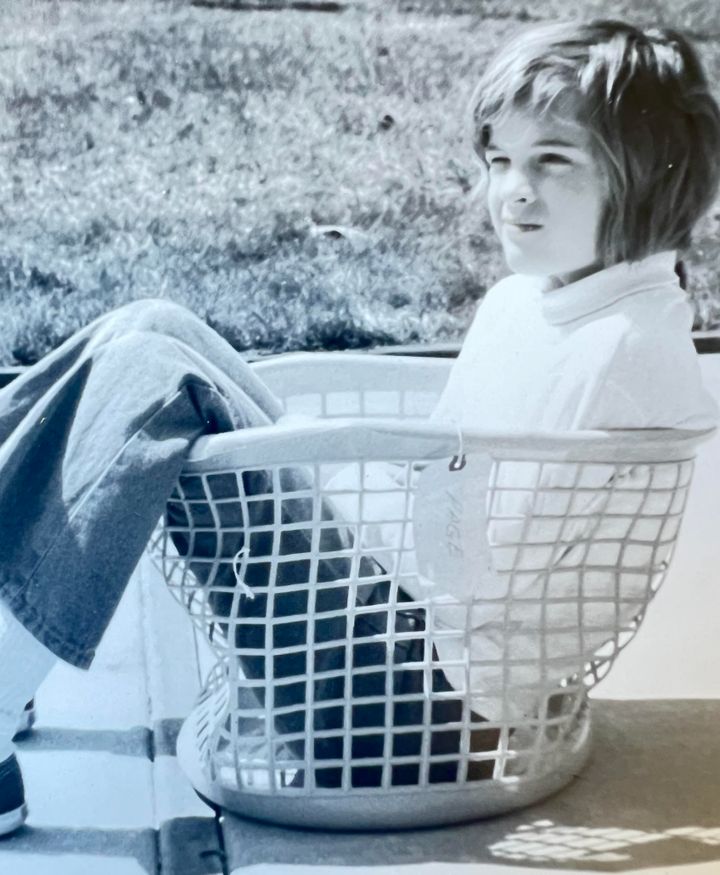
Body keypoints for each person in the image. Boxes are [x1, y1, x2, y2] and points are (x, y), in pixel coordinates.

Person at [0, 18, 719, 835]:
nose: (514, 190)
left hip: (437, 718)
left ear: (650, 178)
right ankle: (13, 613)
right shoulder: (532, 300)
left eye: (553, 161)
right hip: (403, 637)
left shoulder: (625, 345)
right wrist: (337, 476)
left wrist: (332, 471)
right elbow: (451, 482)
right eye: (500, 160)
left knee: (156, 381)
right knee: (150, 327)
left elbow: (479, 578)